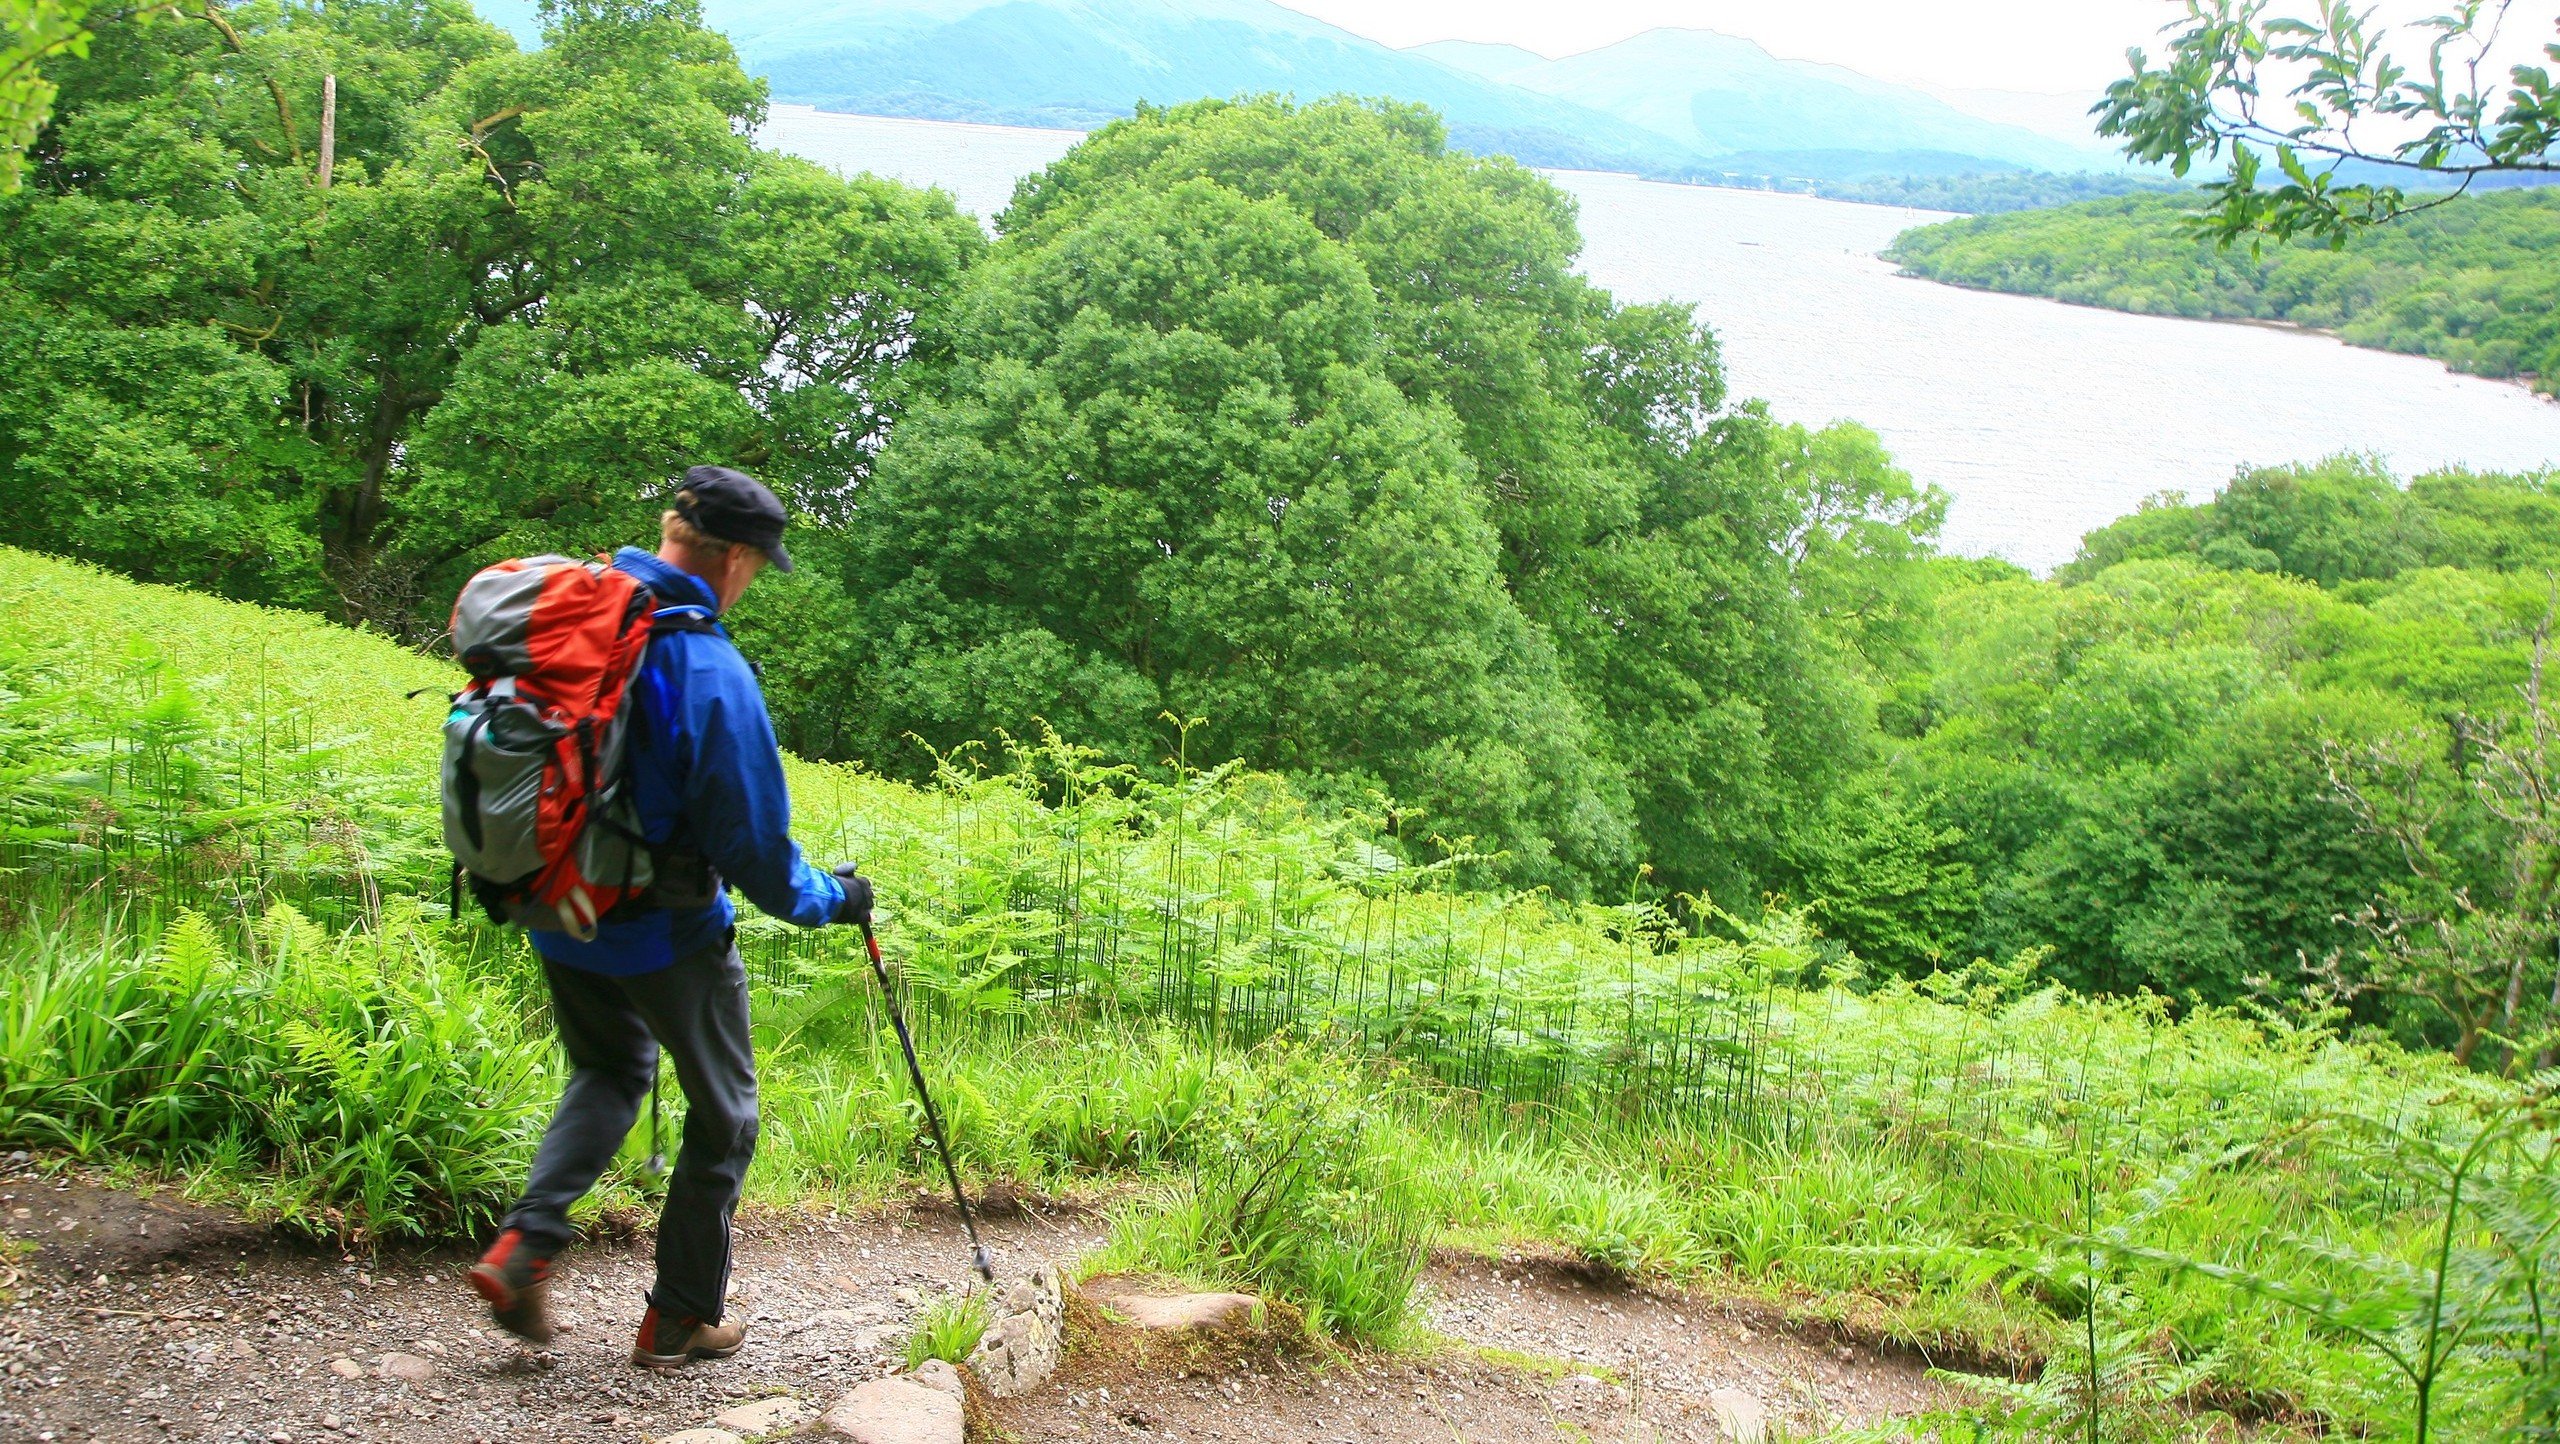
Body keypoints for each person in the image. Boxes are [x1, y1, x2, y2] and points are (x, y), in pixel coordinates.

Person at [463, 465, 875, 1370]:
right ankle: (682, 1317)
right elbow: (757, 852)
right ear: (731, 556)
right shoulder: (706, 668)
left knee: (610, 1071)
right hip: (668, 931)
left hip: (558, 905)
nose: (755, 579)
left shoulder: (583, 611)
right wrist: (834, 900)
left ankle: (523, 1246)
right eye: (758, 564)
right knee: (726, 1114)